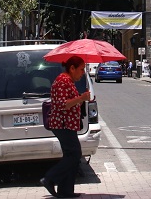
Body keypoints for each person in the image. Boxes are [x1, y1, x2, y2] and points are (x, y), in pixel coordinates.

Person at [41, 55, 91, 198]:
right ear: (72, 68)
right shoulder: (63, 81)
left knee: (71, 155)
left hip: (67, 124)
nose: (82, 73)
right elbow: (63, 104)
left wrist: (82, 98)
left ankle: (65, 191)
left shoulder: (68, 81)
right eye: (81, 69)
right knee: (75, 155)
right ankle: (50, 178)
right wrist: (81, 98)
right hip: (62, 124)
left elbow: (70, 102)